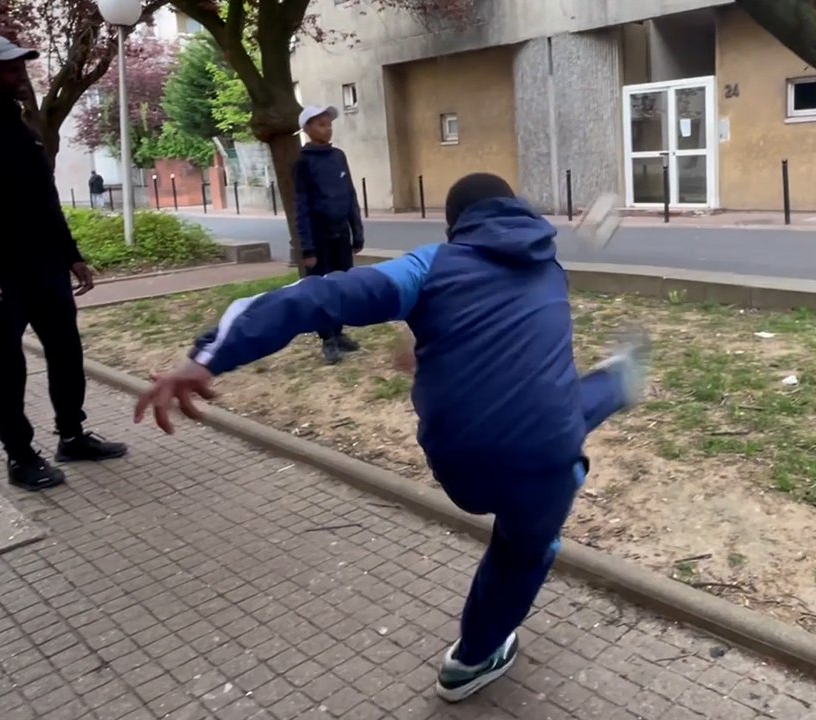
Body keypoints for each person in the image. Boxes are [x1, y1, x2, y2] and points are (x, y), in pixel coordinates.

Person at [134, 172, 650, 702]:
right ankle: (472, 661)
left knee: (538, 420)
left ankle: (615, 381)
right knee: (530, 526)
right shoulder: (549, 269)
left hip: (458, 462)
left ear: (456, 229)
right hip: (542, 462)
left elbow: (316, 296)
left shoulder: (431, 267)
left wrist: (210, 356)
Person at [0, 34, 127, 492]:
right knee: (7, 366)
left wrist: (72, 255)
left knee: (66, 354)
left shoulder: (24, 129)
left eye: (20, 64)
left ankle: (71, 436)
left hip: (46, 268)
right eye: (7, 66)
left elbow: (45, 202)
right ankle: (19, 456)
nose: (18, 72)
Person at [293, 104, 365, 364]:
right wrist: (307, 249)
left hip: (340, 235)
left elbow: (350, 195)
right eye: (321, 124)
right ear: (308, 129)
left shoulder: (338, 156)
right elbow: (300, 206)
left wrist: (356, 232)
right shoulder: (303, 162)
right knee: (321, 288)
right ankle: (327, 339)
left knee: (342, 285)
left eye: (329, 123)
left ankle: (339, 332)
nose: (327, 128)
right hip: (319, 236)